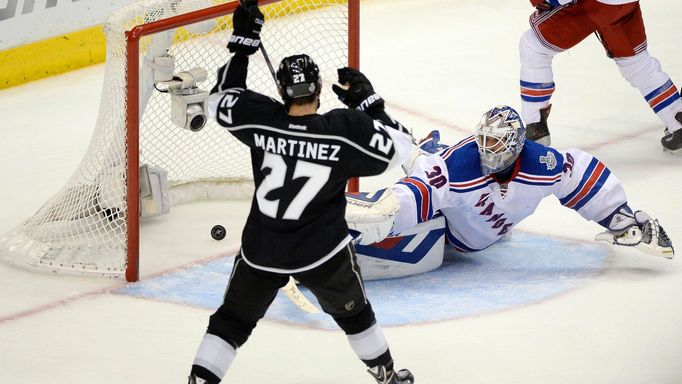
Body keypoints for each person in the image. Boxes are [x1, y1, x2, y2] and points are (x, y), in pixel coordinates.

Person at [188, 2, 415, 384]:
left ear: (280, 90)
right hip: (322, 252)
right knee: (354, 315)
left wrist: (242, 44)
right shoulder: (342, 130)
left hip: (263, 250)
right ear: (320, 88)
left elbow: (220, 99)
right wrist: (368, 105)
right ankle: (387, 375)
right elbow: (404, 147)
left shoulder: (259, 116)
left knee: (231, 322)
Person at [348, 105, 673, 279]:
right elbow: (418, 192)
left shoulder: (541, 163)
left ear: (517, 145)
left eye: (497, 143)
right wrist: (381, 215)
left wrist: (622, 219)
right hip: (449, 230)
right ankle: (391, 126)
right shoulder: (457, 166)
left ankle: (421, 146)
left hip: (481, 233)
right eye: (484, 141)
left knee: (425, 159)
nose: (488, 150)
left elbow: (581, 176)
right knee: (418, 164)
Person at [519, 0, 682, 153]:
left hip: (597, 5)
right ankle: (677, 120)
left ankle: (536, 130)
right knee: (636, 63)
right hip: (625, 3)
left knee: (533, 46)